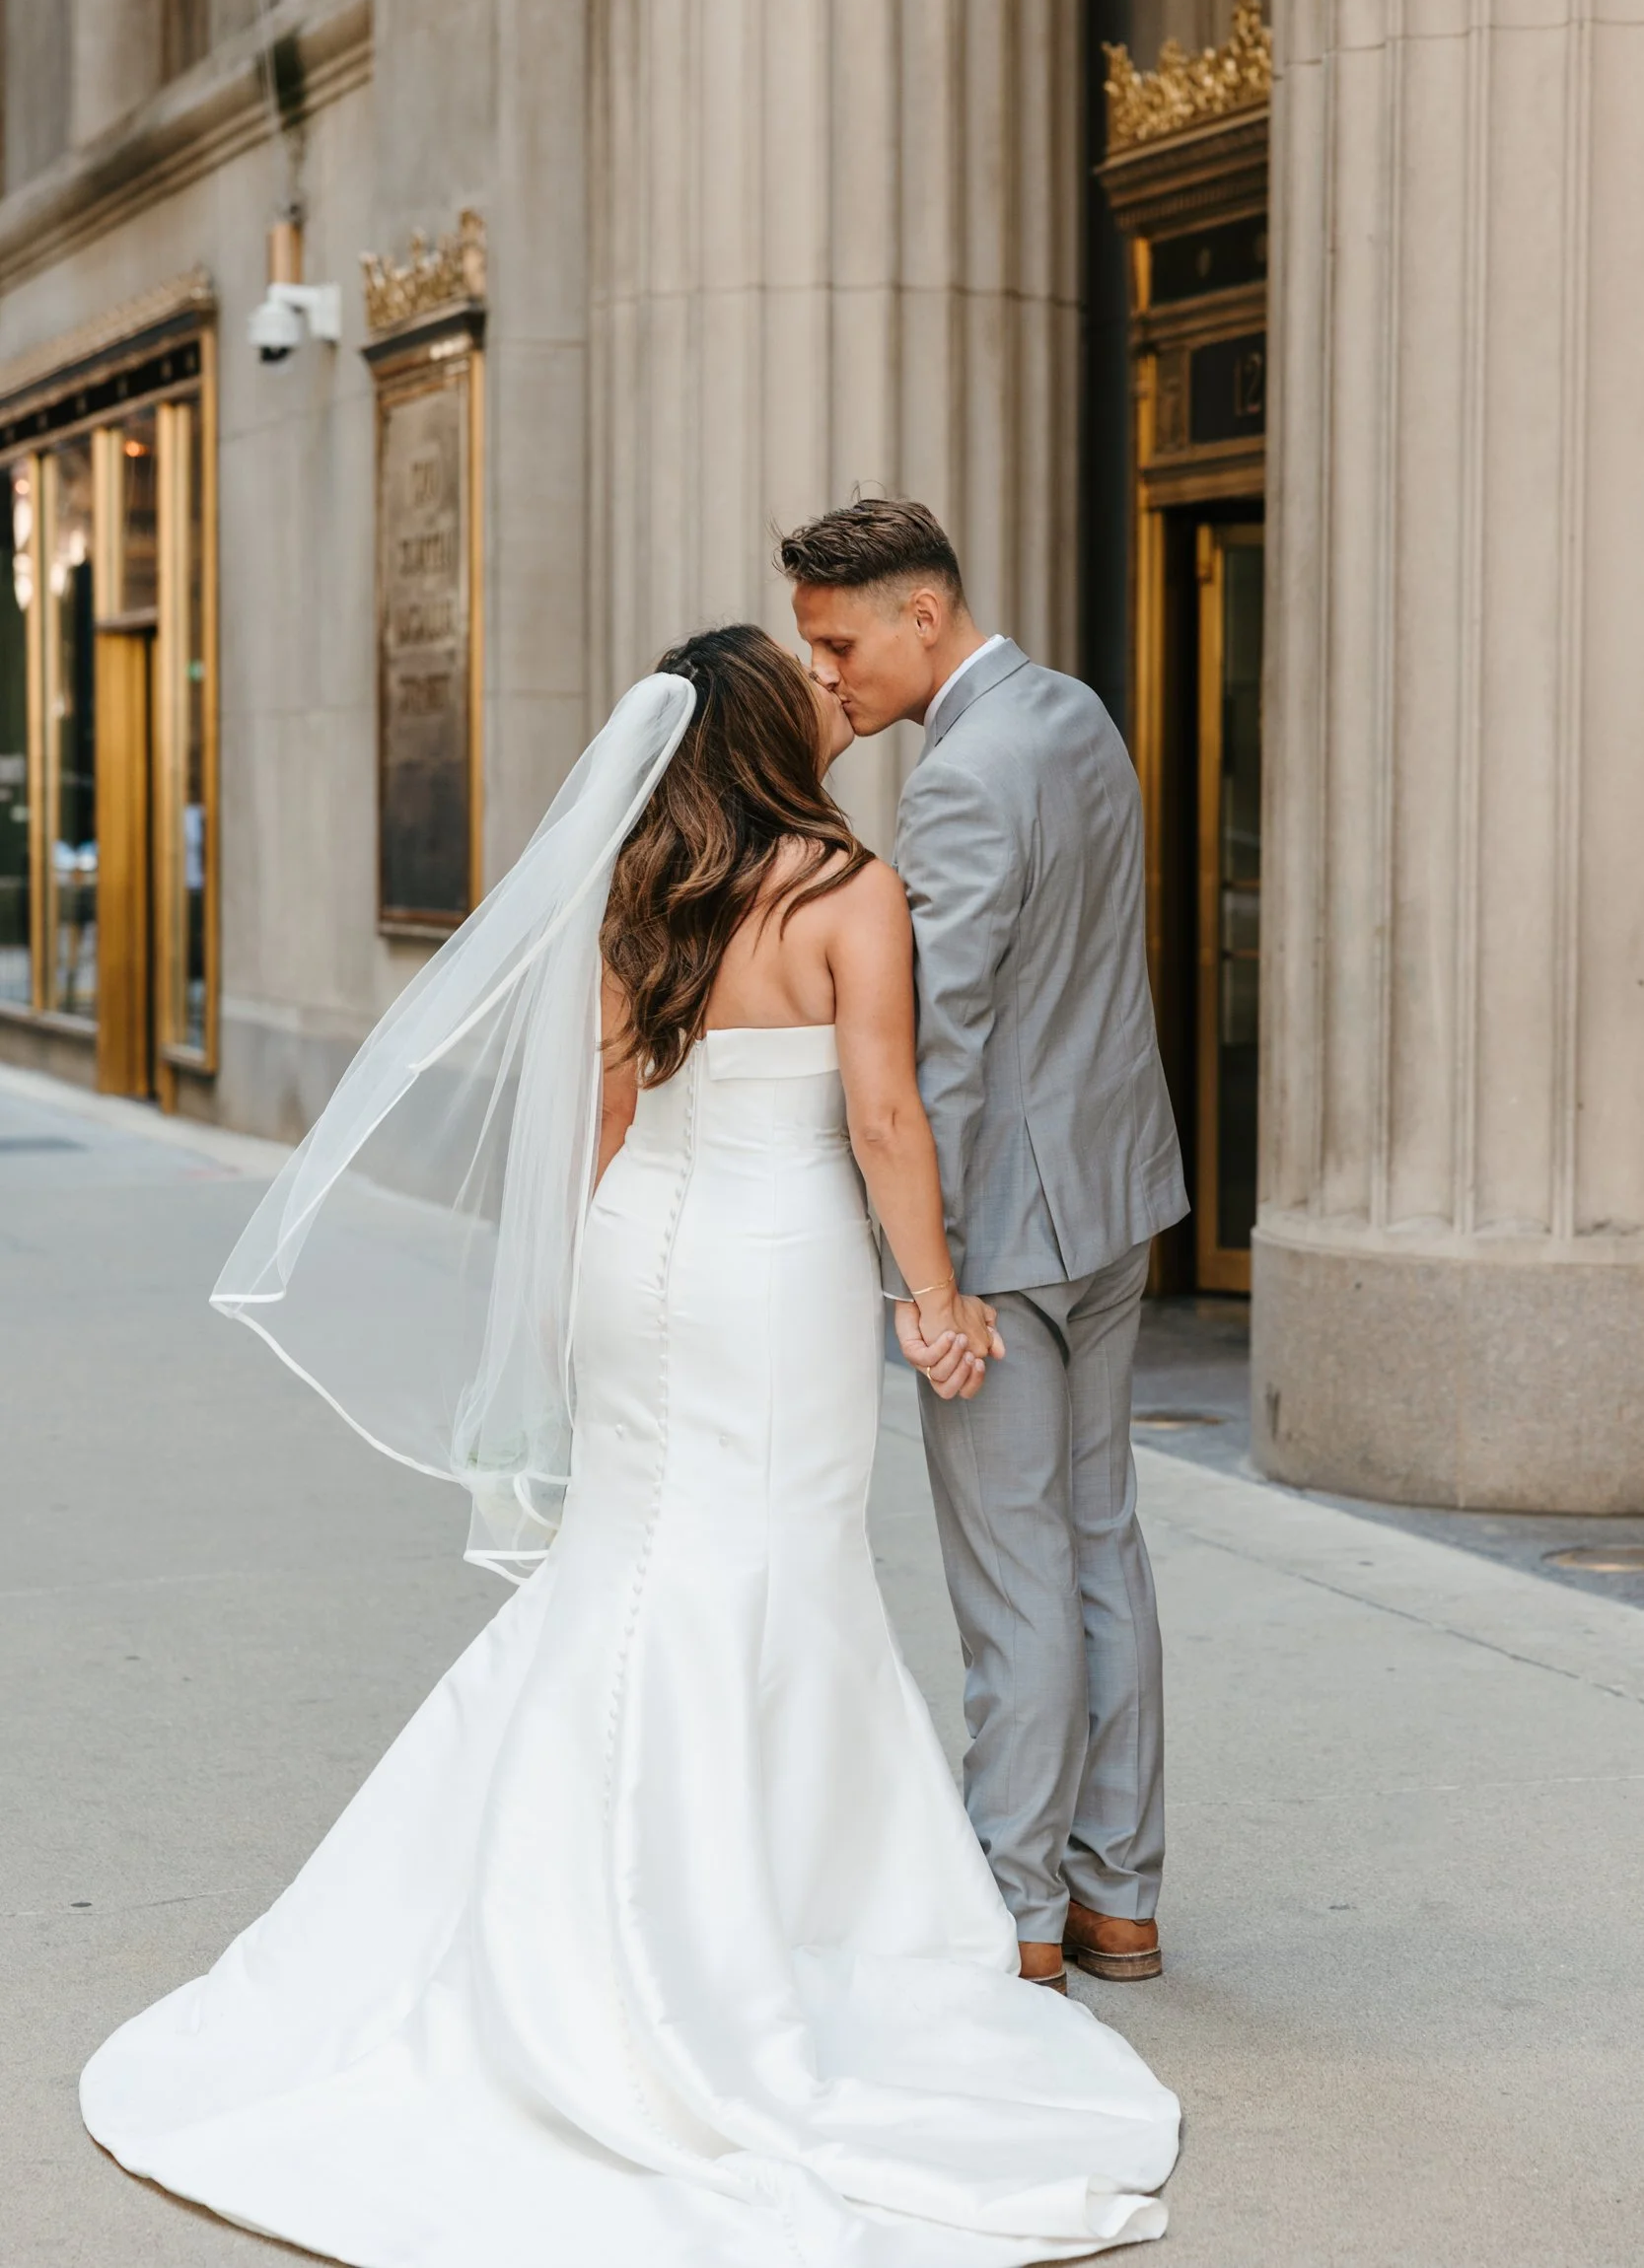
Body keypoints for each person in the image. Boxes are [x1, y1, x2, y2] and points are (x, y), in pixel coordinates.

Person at [80, 625, 1178, 2267]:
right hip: (777, 1270)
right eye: (807, 691)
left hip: (641, 1255)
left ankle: (578, 1896)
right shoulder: (843, 892)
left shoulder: (639, 880)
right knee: (777, 1566)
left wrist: (573, 1301)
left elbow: (602, 1114)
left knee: (634, 1557)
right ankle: (744, 1930)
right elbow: (884, 1117)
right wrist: (933, 1299)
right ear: (769, 735)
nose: (832, 702)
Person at [786, 503, 1188, 1997]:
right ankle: (1119, 1899)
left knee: (1014, 1578)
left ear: (924, 614)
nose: (828, 676)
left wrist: (921, 1281)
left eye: (840, 643)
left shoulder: (961, 778)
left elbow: (929, 1053)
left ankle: (1018, 1921)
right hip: (1115, 1197)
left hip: (1007, 1239)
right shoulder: (1073, 713)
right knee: (1101, 1549)